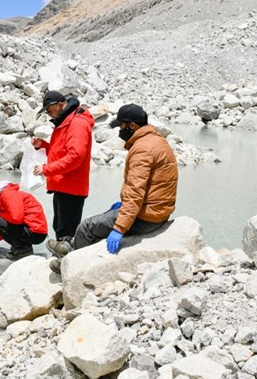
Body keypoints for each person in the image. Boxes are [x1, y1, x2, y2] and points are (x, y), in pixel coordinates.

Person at [46, 104, 178, 273]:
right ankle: (69, 246)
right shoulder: (156, 140)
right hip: (158, 211)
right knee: (103, 217)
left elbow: (135, 192)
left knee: (86, 227)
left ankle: (69, 263)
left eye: (121, 126)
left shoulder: (142, 149)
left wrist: (120, 228)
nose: (119, 131)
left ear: (132, 126)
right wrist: (123, 205)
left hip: (146, 217)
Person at [32, 90, 95, 240]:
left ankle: (65, 260)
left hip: (71, 187)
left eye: (48, 109)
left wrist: (46, 169)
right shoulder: (66, 122)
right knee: (60, 227)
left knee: (66, 232)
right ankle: (61, 259)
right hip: (63, 185)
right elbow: (59, 152)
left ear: (60, 105)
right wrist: (43, 146)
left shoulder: (77, 124)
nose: (48, 113)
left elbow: (75, 157)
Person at [0, 179, 48, 261]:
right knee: (0, 222)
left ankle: (22, 250)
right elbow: (11, 226)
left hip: (35, 233)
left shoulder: (8, 195)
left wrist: (1, 215)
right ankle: (23, 248)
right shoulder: (6, 194)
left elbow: (16, 219)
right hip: (35, 231)